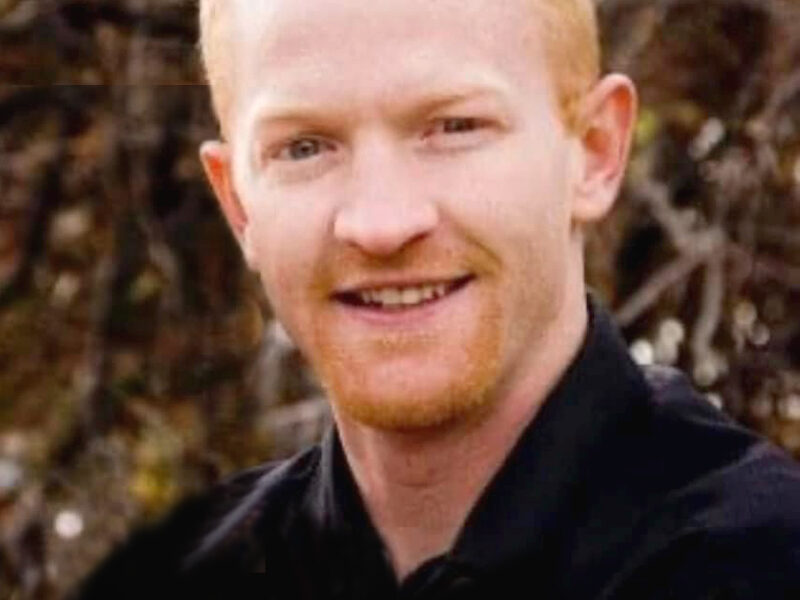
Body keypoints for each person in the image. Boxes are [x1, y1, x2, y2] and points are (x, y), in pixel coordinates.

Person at [76, 0, 800, 598]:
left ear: (593, 150)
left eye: (454, 127)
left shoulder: (760, 562)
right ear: (239, 205)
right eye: (304, 147)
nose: (381, 224)